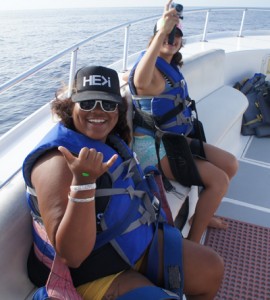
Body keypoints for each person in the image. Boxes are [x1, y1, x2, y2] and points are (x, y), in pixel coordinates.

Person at [22, 65, 223, 300]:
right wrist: (84, 182)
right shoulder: (56, 161)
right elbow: (71, 256)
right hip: (91, 271)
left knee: (211, 269)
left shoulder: (108, 140)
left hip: (128, 242)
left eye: (108, 104)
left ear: (119, 109)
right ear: (70, 105)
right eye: (87, 103)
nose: (98, 111)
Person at [126, 0, 239, 243]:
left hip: (177, 140)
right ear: (156, 38)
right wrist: (162, 31)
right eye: (167, 34)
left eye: (176, 35)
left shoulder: (168, 66)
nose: (172, 38)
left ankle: (201, 215)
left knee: (230, 164)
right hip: (156, 149)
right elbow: (141, 79)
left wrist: (165, 28)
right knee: (218, 181)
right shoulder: (151, 74)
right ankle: (193, 242)